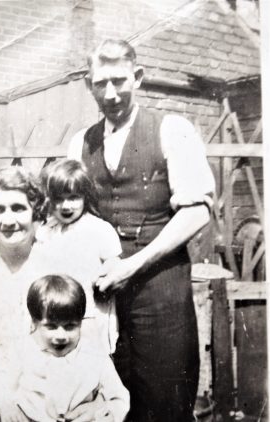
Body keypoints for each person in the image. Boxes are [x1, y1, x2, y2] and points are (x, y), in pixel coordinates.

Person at [68, 39, 216, 422]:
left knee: (165, 399)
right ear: (89, 85)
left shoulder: (171, 129)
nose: (111, 92)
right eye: (101, 83)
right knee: (110, 400)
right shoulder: (79, 144)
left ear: (138, 77)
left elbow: (197, 212)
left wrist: (131, 267)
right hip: (104, 298)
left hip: (160, 289)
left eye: (120, 80)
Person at [0, 167, 108, 422]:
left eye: (18, 208)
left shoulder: (65, 267)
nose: (8, 220)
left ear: (36, 211)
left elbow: (91, 347)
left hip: (57, 404)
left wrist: (99, 403)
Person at [3, 274, 130, 422]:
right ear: (35, 323)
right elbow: (2, 388)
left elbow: (119, 398)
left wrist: (103, 409)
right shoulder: (23, 351)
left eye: (70, 326)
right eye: (51, 327)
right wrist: (7, 406)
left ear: (81, 323)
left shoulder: (94, 355)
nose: (61, 335)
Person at [36, 159, 122, 354]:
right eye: (59, 199)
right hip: (55, 311)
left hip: (91, 312)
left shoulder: (98, 229)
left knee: (91, 360)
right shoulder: (47, 230)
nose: (66, 205)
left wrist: (105, 276)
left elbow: (113, 261)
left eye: (73, 197)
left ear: (85, 196)